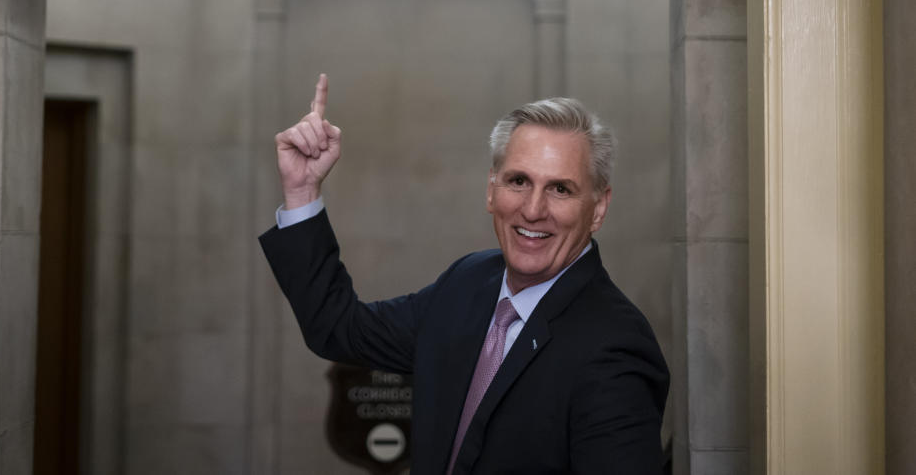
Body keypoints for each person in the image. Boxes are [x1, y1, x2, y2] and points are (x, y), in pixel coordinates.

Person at [259, 74, 668, 475]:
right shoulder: (468, 282)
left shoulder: (615, 347)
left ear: (597, 208)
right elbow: (339, 328)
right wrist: (301, 192)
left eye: (560, 189)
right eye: (518, 181)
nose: (532, 209)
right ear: (492, 190)